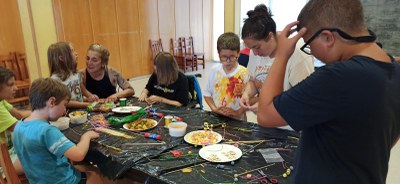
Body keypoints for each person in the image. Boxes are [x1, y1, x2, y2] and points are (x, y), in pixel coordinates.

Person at [257, 0, 400, 183]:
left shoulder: (338, 77)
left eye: (308, 44)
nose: (311, 52)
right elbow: (388, 136)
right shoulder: (394, 69)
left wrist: (282, 55)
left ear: (327, 37)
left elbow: (266, 114)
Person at [12, 78, 102, 183]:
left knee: (84, 167)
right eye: (64, 105)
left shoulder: (18, 126)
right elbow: (78, 155)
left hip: (38, 180)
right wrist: (86, 136)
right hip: (61, 181)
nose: (65, 110)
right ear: (52, 102)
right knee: (97, 175)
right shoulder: (47, 131)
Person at [239, 4, 314, 117]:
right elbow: (254, 81)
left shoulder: (297, 52)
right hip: (267, 120)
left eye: (257, 47)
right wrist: (247, 94)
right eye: (251, 48)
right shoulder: (255, 51)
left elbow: (303, 98)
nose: (254, 53)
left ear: (270, 36)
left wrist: (268, 106)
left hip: (290, 124)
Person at [203, 32, 250, 120]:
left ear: (238, 53)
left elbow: (250, 99)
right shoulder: (215, 71)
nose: (228, 61)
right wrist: (214, 109)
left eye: (232, 57)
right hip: (218, 118)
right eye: (224, 57)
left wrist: (238, 112)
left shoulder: (245, 73)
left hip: (238, 119)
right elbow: (207, 94)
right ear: (218, 54)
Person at [0, 67, 30, 175]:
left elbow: (19, 115)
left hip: (9, 151)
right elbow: (19, 128)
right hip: (3, 161)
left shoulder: (1, 101)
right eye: (10, 85)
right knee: (40, 160)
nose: (16, 88)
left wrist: (42, 112)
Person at [48, 41, 94, 109]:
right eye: (72, 51)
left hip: (82, 109)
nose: (76, 53)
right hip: (68, 113)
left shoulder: (76, 73)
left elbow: (82, 89)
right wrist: (86, 104)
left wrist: (91, 96)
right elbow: (65, 102)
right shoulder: (55, 80)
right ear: (62, 58)